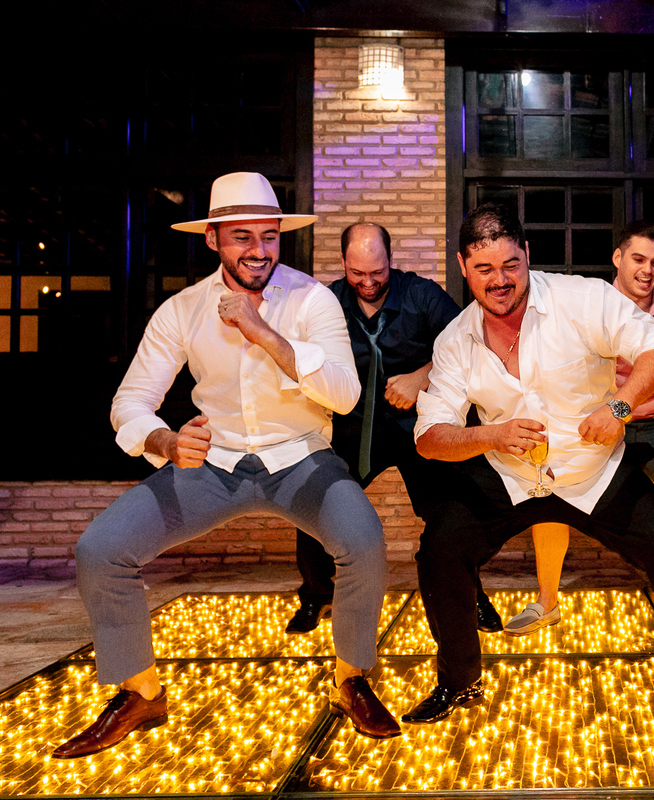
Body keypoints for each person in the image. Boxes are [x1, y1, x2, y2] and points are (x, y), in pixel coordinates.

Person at [54, 173, 402, 759]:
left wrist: (263, 333)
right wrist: (166, 442)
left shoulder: (312, 300)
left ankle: (350, 680)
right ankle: (140, 693)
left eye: (269, 236)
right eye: (242, 237)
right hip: (212, 464)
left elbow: (344, 396)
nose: (259, 250)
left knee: (364, 541)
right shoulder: (182, 310)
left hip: (301, 457)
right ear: (212, 238)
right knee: (101, 549)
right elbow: (130, 402)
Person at [403, 203, 654, 723]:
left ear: (527, 253)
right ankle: (458, 681)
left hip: (593, 471)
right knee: (440, 550)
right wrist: (491, 435)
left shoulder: (580, 298)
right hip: (510, 474)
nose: (500, 280)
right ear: (464, 267)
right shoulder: (454, 340)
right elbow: (429, 438)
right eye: (484, 269)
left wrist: (620, 407)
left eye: (510, 265)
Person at [502, 221, 654, 636]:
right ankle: (547, 602)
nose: (647, 270)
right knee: (548, 495)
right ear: (618, 258)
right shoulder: (587, 304)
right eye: (638, 259)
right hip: (593, 423)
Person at [285, 223, 502, 636]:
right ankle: (316, 595)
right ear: (343, 263)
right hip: (351, 426)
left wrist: (422, 377)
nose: (368, 282)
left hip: (417, 424)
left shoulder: (422, 295)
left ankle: (470, 595)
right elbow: (302, 358)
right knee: (315, 501)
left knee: (450, 512)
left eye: (377, 272)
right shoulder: (325, 301)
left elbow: (471, 343)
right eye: (357, 273)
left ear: (390, 259)